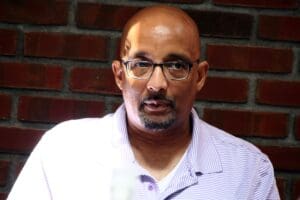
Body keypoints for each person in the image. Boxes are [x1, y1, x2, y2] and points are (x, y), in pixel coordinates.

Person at [7, 5, 280, 200]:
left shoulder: (248, 171)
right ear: (119, 75)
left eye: (176, 65)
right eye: (140, 64)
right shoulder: (63, 153)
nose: (157, 84)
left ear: (199, 76)